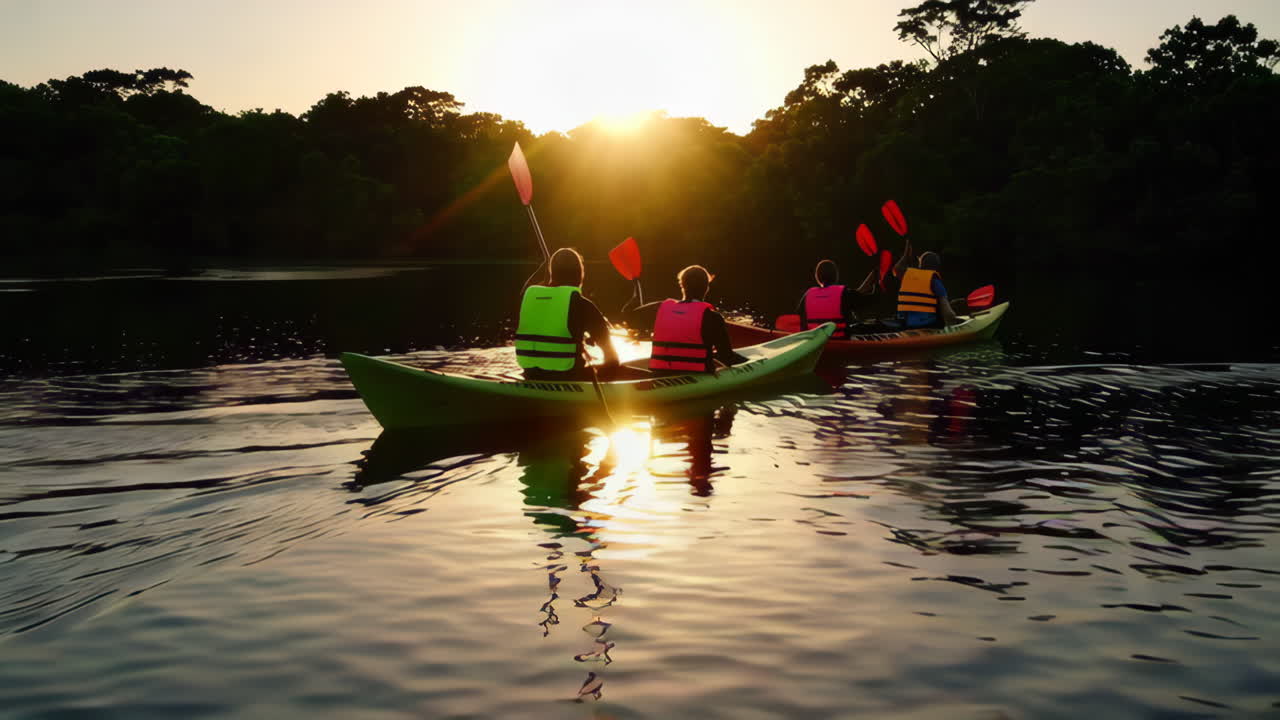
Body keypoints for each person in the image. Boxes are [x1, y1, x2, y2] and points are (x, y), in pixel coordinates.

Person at [515, 248, 620, 380]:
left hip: (531, 374)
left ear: (552, 274)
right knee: (613, 367)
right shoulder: (583, 305)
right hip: (568, 377)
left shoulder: (527, 298)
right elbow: (612, 358)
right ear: (580, 275)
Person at [649, 265, 747, 373]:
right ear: (706, 288)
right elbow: (727, 357)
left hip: (660, 373)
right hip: (697, 374)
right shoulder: (712, 317)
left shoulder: (660, 309)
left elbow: (631, 314)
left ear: (682, 286)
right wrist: (749, 361)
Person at [795, 259, 870, 337]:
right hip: (841, 342)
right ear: (836, 276)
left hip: (816, 344)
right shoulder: (844, 293)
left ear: (817, 277)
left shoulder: (807, 295)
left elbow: (802, 324)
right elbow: (863, 298)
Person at [895, 251, 959, 328]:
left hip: (906, 324)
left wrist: (906, 255)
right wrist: (953, 324)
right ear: (936, 266)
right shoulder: (934, 280)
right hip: (928, 325)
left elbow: (897, 268)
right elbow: (947, 312)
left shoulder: (907, 275)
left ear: (921, 265)